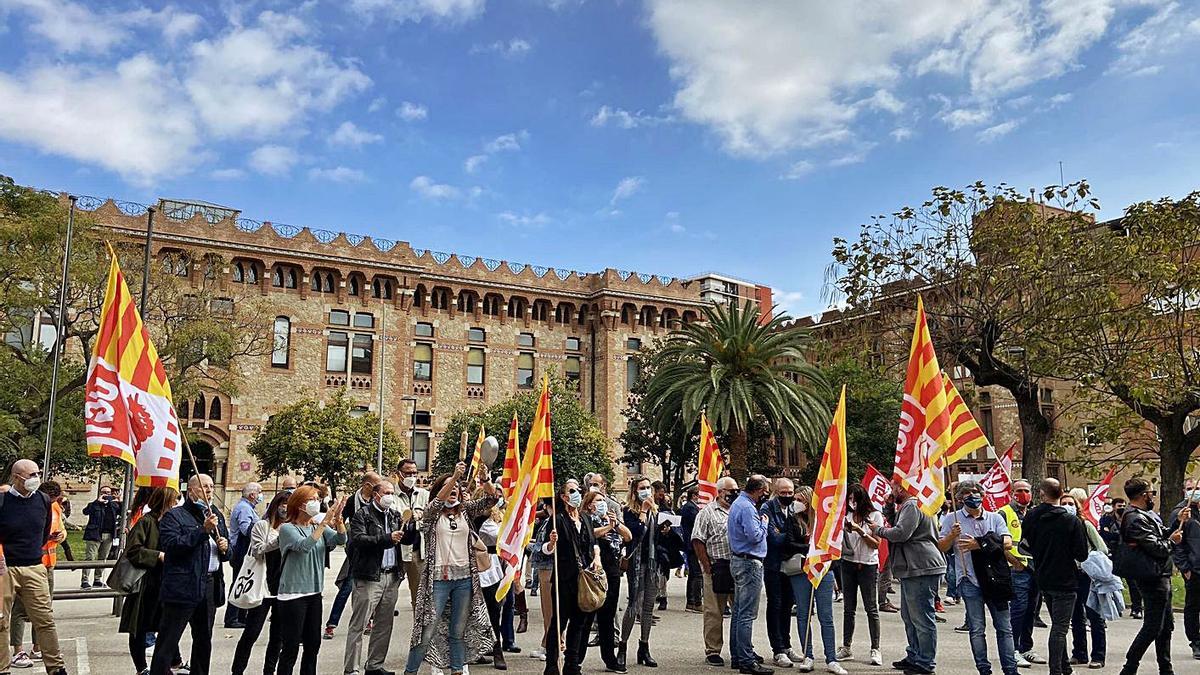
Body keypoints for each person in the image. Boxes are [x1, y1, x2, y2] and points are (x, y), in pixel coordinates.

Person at [404, 462, 498, 675]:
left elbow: (492, 499)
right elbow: (436, 502)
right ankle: (410, 671)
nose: (454, 490)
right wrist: (454, 477)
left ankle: (457, 670)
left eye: (456, 488)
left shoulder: (465, 511)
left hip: (464, 580)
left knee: (458, 631)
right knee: (426, 631)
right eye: (448, 487)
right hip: (437, 581)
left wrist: (485, 481)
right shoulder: (430, 515)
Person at [150, 473, 230, 675]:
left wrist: (225, 548)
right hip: (183, 585)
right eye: (204, 486)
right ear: (191, 490)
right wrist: (202, 531)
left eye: (211, 486)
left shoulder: (216, 515)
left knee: (204, 638)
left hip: (210, 584)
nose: (209, 490)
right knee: (169, 639)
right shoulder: (174, 516)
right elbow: (172, 546)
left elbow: (228, 553)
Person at [937, 481, 1016, 675]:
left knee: (1004, 628)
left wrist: (980, 544)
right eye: (967, 493)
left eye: (976, 492)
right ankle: (984, 669)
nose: (973, 495)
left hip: (996, 579)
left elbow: (1007, 542)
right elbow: (941, 547)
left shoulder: (994, 518)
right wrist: (951, 536)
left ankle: (1010, 669)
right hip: (969, 579)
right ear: (960, 498)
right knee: (977, 628)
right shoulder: (951, 519)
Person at [872, 476, 945, 675]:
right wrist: (888, 509)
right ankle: (915, 655)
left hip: (920, 566)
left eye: (893, 487)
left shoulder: (912, 505)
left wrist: (877, 530)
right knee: (910, 617)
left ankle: (925, 662)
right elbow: (899, 524)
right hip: (914, 567)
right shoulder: (911, 505)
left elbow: (901, 533)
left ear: (902, 487)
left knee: (921, 617)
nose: (891, 490)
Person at [0, 460, 66, 675]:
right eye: (31, 475)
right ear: (17, 477)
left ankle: (56, 667)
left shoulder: (44, 500)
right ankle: (3, 668)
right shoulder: (2, 501)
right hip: (5, 569)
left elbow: (44, 531)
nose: (36, 478)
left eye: (37, 473)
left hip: (35, 566)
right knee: (1, 621)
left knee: (45, 620)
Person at [275, 485, 347, 675]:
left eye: (318, 499)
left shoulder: (317, 526)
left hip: (314, 592)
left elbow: (340, 540)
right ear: (299, 505)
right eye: (312, 499)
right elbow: (304, 546)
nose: (317, 503)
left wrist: (338, 521)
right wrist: (324, 521)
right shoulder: (288, 529)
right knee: (291, 646)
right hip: (292, 595)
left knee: (313, 643)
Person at [1021, 479, 1089, 675]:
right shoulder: (1071, 520)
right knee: (1060, 628)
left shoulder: (1032, 515)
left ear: (1042, 493)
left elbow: (1025, 545)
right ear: (1061, 494)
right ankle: (1056, 670)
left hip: (1043, 575)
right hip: (1066, 578)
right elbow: (1082, 553)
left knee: (1057, 623)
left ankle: (1064, 666)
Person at [1114, 477, 1180, 675]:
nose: (1153, 497)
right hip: (1151, 577)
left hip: (1161, 575)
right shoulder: (1135, 518)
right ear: (1144, 495)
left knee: (1165, 626)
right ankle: (1130, 666)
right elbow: (1158, 547)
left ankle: (1165, 668)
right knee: (1152, 626)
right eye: (1152, 493)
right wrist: (1174, 543)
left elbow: (1162, 534)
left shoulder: (1145, 515)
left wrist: (1178, 522)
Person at [343, 479, 405, 675]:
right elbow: (358, 540)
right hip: (369, 576)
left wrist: (410, 528)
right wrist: (386, 538)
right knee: (359, 624)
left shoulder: (395, 515)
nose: (389, 497)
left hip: (391, 575)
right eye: (386, 493)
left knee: (384, 624)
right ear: (376, 495)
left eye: (391, 493)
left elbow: (408, 539)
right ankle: (352, 668)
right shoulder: (363, 515)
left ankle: (375, 665)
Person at [119, 487, 181, 675]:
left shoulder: (173, 523)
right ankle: (141, 667)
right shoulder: (146, 522)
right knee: (139, 627)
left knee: (167, 626)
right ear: (164, 502)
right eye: (173, 501)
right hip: (145, 584)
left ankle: (170, 663)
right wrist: (158, 556)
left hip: (167, 583)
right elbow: (133, 550)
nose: (176, 505)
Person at [785, 486, 846, 675]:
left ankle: (831, 659)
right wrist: (809, 550)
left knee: (826, 616)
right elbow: (787, 543)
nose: (796, 503)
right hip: (801, 571)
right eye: (795, 499)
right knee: (803, 614)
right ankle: (808, 655)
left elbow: (833, 547)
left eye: (800, 500)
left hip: (823, 570)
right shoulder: (792, 520)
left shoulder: (823, 521)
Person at [231, 491, 290, 675]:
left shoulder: (292, 528)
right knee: (251, 633)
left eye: (289, 504)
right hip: (262, 586)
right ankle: (237, 670)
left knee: (278, 637)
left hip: (283, 588)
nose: (285, 508)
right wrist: (281, 538)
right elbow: (258, 551)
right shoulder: (262, 526)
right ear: (276, 504)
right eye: (283, 503)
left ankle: (269, 671)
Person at [325, 471, 381, 640]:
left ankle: (369, 620)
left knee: (372, 587)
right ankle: (331, 624)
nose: (379, 490)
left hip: (374, 549)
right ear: (367, 486)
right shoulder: (352, 501)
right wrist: (338, 520)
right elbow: (341, 521)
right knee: (347, 587)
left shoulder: (377, 500)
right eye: (376, 486)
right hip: (356, 551)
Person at [729, 474, 772, 675]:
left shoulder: (739, 504)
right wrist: (764, 523)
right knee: (746, 614)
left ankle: (738, 655)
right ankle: (746, 660)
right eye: (765, 491)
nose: (765, 495)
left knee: (739, 611)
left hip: (740, 560)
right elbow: (754, 536)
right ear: (758, 490)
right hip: (749, 563)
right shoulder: (747, 507)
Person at [692, 476, 738, 667]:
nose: (734, 494)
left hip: (737, 566)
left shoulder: (738, 510)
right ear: (719, 492)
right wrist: (707, 566)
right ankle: (713, 650)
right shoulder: (707, 513)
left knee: (740, 611)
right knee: (714, 611)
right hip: (716, 567)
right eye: (730, 491)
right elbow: (697, 540)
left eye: (736, 490)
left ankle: (740, 649)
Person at [998, 479, 1043, 668]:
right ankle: (1013, 650)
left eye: (1026, 490)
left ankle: (1026, 647)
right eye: (1019, 490)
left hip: (1035, 569)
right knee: (1018, 609)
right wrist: (1015, 563)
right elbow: (1001, 543)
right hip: (1016, 569)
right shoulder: (1004, 513)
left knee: (1031, 610)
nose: (1023, 494)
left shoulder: (1033, 514)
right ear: (1011, 493)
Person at [1062, 488, 1108, 669]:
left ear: (1077, 507)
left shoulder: (1085, 525)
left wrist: (1088, 561)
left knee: (1094, 616)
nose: (1067, 507)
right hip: (1069, 576)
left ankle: (1098, 655)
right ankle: (1079, 653)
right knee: (1075, 617)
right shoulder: (1059, 526)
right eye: (1063, 504)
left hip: (1087, 575)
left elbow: (1102, 548)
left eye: (1070, 504)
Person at [838, 483, 884, 667]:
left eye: (854, 499)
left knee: (871, 608)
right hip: (848, 564)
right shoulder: (846, 516)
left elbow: (876, 544)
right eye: (849, 499)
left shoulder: (874, 516)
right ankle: (847, 646)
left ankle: (875, 648)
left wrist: (859, 530)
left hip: (868, 565)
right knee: (849, 608)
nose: (852, 503)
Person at [619, 476, 660, 670]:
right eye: (642, 488)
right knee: (633, 604)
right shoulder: (629, 511)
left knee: (648, 606)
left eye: (648, 488)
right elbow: (634, 534)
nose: (646, 491)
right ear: (635, 491)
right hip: (636, 563)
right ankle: (622, 647)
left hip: (652, 563)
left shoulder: (655, 511)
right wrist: (642, 511)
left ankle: (644, 647)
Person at [761, 478, 800, 669]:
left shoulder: (793, 508)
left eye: (789, 492)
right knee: (775, 605)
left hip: (790, 565)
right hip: (774, 565)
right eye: (783, 493)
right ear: (776, 492)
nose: (787, 496)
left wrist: (790, 535)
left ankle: (786, 644)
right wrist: (792, 534)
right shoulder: (767, 509)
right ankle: (777, 649)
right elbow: (773, 538)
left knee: (787, 605)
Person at [1169, 482, 1200, 660]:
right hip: (1194, 569)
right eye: (1190, 489)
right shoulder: (1181, 513)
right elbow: (1176, 543)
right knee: (1193, 607)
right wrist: (1185, 568)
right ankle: (1196, 642)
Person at [225, 482, 262, 629]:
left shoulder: (248, 508)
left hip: (244, 550)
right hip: (240, 551)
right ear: (252, 495)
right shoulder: (244, 509)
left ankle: (241, 616)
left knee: (243, 582)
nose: (260, 495)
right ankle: (232, 617)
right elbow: (246, 530)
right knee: (239, 583)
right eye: (259, 492)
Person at [396, 458, 430, 610]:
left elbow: (431, 518)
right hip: (396, 552)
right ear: (399, 474)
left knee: (420, 598)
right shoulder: (391, 495)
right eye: (408, 473)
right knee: (386, 596)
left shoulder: (424, 495)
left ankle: (419, 632)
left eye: (415, 473)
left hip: (418, 553)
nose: (412, 476)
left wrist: (419, 517)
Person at [528, 501, 556, 662]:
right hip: (545, 567)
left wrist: (530, 545)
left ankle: (552, 645)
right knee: (548, 611)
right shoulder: (548, 520)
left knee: (550, 611)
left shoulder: (554, 521)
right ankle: (547, 643)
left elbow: (546, 547)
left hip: (549, 568)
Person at [81, 483, 121, 588]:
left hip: (109, 535)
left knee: (103, 558)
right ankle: (85, 580)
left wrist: (119, 500)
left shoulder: (114, 505)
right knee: (90, 557)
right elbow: (85, 512)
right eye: (104, 493)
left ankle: (97, 579)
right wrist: (97, 502)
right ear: (100, 493)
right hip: (94, 534)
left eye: (108, 493)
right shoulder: (94, 504)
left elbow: (124, 511)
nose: (106, 495)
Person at [679, 487, 703, 613]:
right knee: (697, 574)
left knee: (694, 574)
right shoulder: (690, 508)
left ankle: (692, 601)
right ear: (694, 495)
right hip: (692, 545)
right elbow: (698, 522)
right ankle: (695, 601)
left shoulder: (690, 507)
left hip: (690, 544)